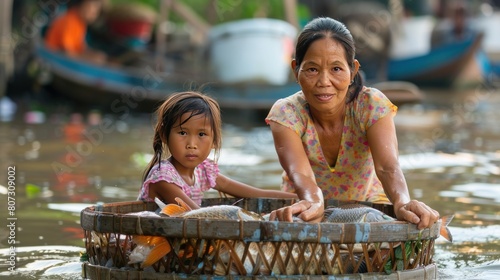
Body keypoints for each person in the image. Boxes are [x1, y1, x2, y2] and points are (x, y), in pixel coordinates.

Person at [265, 17, 440, 229]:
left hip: (368, 207)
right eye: (312, 69)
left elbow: (387, 167)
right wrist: (314, 202)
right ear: (296, 70)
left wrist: (402, 201)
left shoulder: (371, 105)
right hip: (304, 205)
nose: (324, 82)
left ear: (353, 71)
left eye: (336, 69)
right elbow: (299, 173)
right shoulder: (286, 113)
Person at [138, 91, 297, 209]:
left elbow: (254, 193)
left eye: (201, 134)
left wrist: (303, 199)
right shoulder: (164, 178)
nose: (191, 144)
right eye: (182, 133)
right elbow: (197, 216)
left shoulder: (203, 171)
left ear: (214, 141)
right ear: (164, 136)